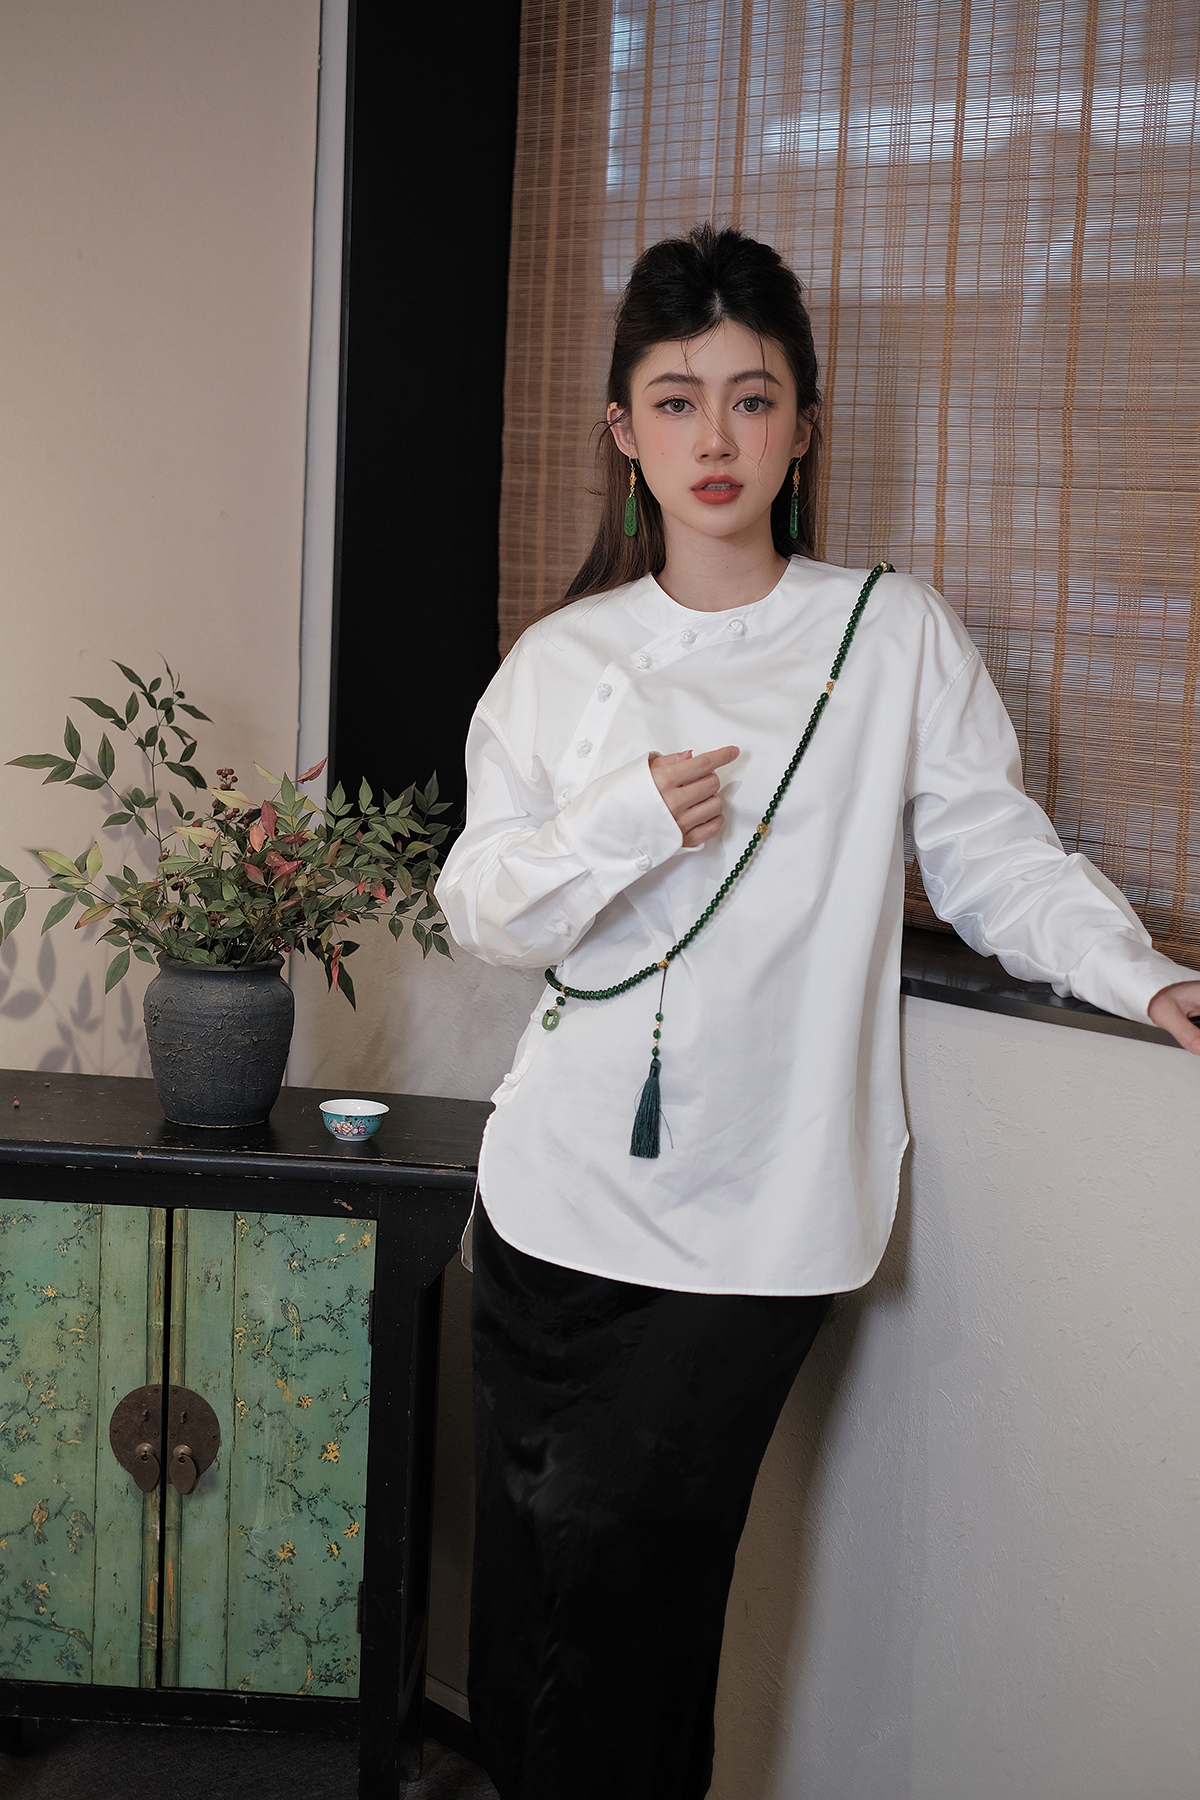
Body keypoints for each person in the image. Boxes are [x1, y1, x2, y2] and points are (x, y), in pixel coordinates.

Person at [434, 224, 1200, 1800]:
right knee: (533, 1600)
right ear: (623, 432)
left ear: (804, 424)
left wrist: (1141, 973)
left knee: (637, 1602)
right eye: (676, 400)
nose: (714, 437)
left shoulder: (888, 633)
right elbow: (483, 911)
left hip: (756, 1220)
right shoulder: (564, 660)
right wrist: (627, 822)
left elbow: (993, 855)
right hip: (551, 1202)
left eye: (752, 397)